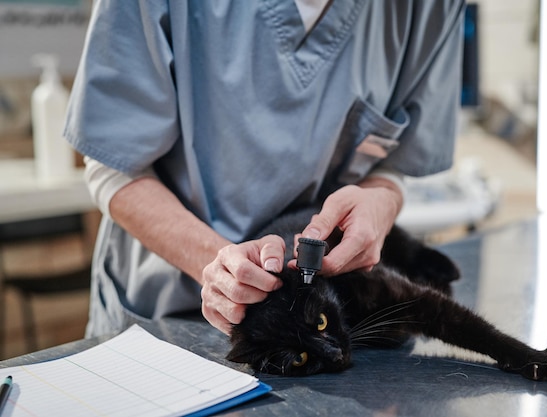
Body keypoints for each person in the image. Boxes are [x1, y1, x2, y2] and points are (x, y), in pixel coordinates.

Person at [64, 0, 466, 337]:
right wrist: (219, 267)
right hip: (164, 322)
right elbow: (112, 165)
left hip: (321, 326)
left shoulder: (429, 8)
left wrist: (382, 201)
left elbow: (393, 162)